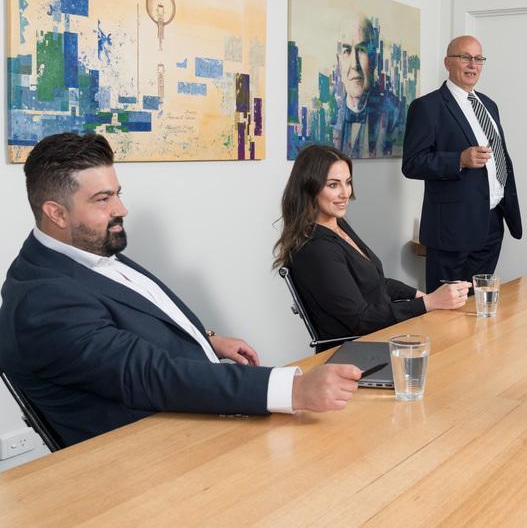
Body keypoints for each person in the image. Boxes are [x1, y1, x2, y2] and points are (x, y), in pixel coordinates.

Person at [0, 133, 362, 447]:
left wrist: (207, 338)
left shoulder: (86, 249)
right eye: (103, 199)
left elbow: (132, 318)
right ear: (56, 213)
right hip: (151, 454)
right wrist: (293, 389)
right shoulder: (42, 299)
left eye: (118, 194)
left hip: (194, 417)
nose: (121, 208)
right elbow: (146, 373)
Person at [273, 145, 470, 352]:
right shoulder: (315, 249)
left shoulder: (337, 225)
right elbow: (361, 319)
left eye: (347, 183)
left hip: (380, 337)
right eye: (333, 185)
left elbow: (373, 282)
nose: (345, 193)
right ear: (309, 187)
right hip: (356, 353)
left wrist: (420, 295)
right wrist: (429, 303)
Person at [402, 35, 523, 293]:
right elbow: (412, 163)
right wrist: (459, 159)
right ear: (448, 62)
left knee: (477, 304)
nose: (473, 65)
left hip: (491, 222)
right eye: (465, 57)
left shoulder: (489, 105)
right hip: (451, 229)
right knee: (445, 309)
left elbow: (500, 156)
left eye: (478, 59)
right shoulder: (427, 107)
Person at [332, 15, 397, 158]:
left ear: (374, 59)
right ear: (339, 62)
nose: (354, 64)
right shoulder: (330, 120)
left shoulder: (393, 117)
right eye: (347, 51)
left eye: (361, 49)